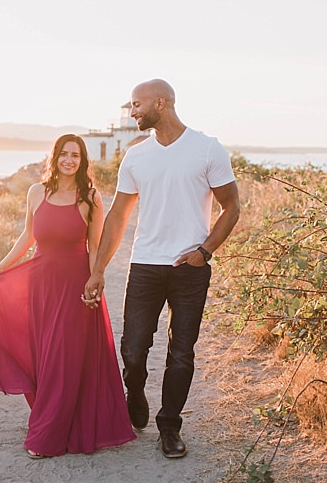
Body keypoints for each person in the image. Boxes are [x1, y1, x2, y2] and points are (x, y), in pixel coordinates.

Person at [83, 79, 240, 459]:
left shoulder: (206, 148)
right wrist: (98, 269)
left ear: (161, 102)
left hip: (190, 267)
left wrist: (204, 251)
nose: (132, 111)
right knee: (133, 349)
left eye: (137, 105)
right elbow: (119, 214)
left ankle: (169, 426)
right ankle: (134, 390)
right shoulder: (136, 156)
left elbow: (231, 207)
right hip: (145, 265)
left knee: (181, 352)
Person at [0, 135, 136, 458]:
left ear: (82, 160)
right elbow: (27, 236)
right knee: (43, 359)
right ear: (55, 157)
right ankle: (53, 416)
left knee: (62, 359)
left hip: (73, 288)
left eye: (75, 155)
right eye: (64, 154)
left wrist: (94, 280)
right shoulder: (37, 193)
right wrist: (1, 267)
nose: (69, 160)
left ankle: (47, 437)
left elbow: (94, 247)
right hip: (40, 286)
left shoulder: (90, 198)